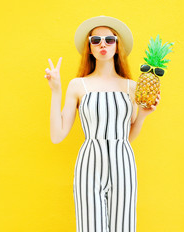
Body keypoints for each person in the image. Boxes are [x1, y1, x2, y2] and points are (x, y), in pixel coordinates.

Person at [44, 15, 160, 232]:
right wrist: (56, 91)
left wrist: (143, 115)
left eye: (109, 39)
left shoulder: (132, 87)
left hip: (123, 163)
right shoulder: (78, 85)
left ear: (117, 45)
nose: (103, 44)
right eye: (96, 40)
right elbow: (57, 135)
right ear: (89, 48)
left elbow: (126, 137)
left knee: (124, 227)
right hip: (89, 164)